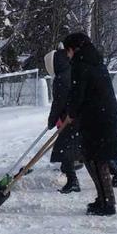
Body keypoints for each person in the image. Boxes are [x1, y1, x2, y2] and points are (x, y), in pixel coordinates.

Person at [60, 32, 117, 216]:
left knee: (96, 161)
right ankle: (104, 199)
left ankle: (107, 204)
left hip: (97, 119)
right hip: (103, 116)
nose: (67, 55)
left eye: (67, 51)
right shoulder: (95, 61)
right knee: (95, 160)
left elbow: (78, 93)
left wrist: (71, 113)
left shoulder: (81, 65)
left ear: (74, 49)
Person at [44, 47, 83, 193]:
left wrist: (51, 120)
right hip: (80, 116)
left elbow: (59, 102)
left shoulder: (61, 78)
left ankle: (73, 181)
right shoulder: (73, 70)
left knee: (65, 149)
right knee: (88, 149)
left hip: (71, 119)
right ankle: (116, 174)